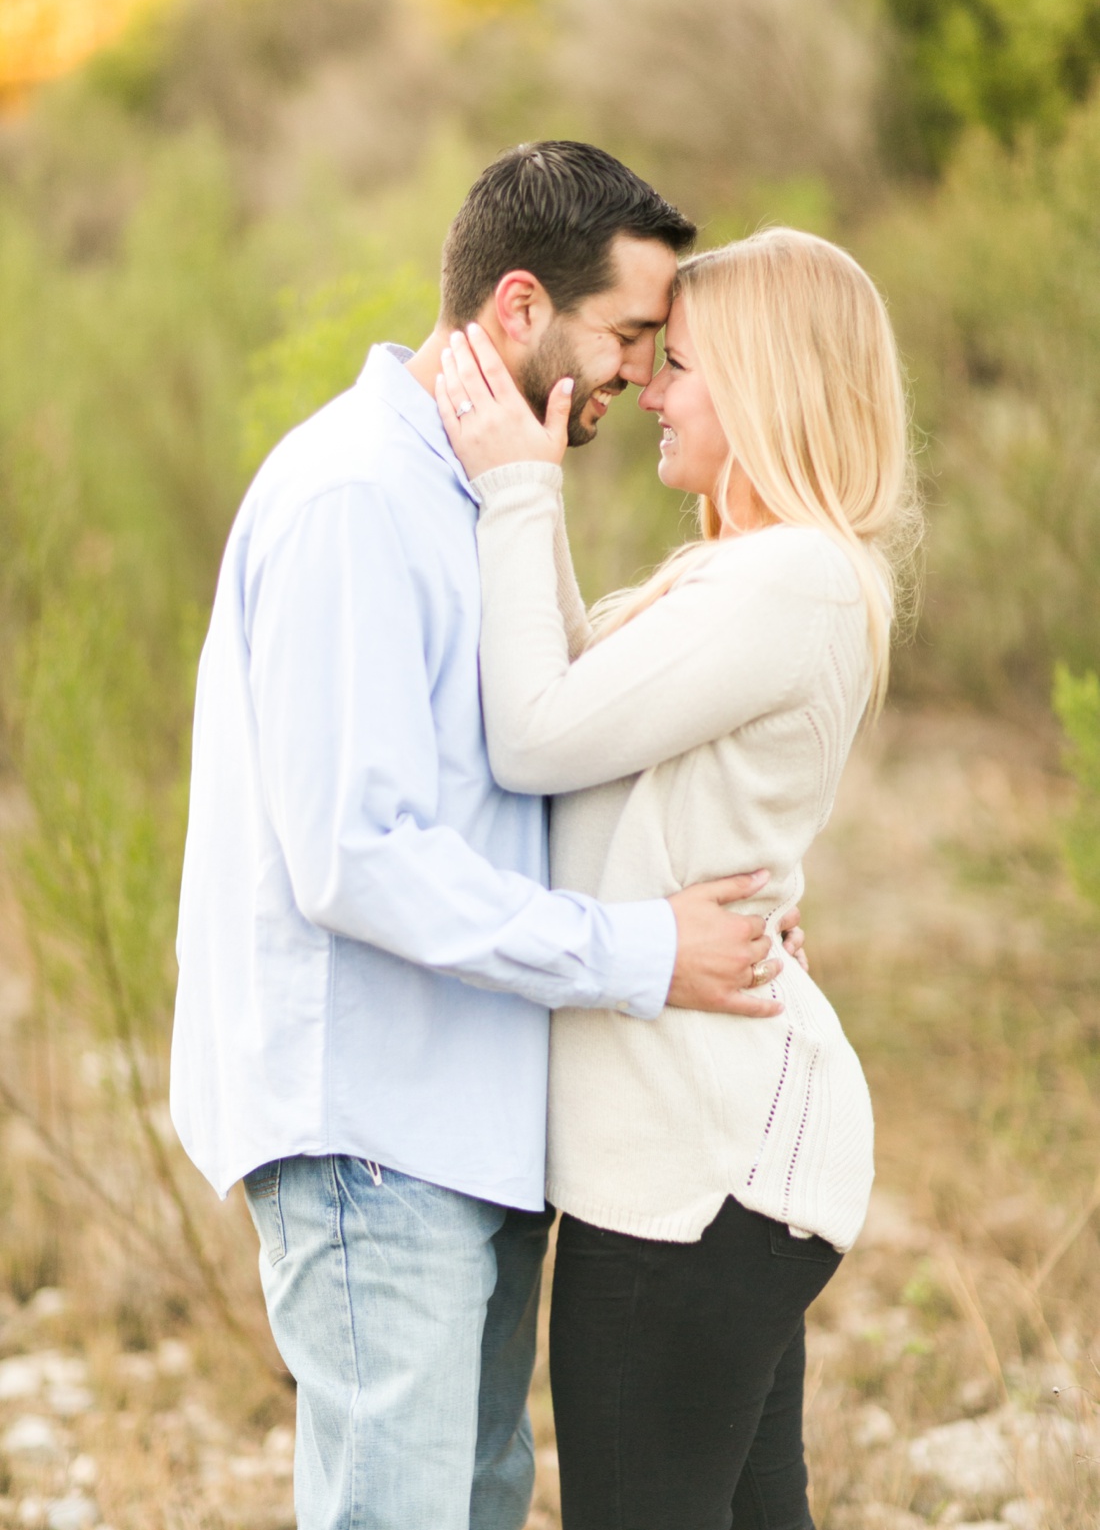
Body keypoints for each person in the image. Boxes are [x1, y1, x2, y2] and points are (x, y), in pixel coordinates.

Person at [170, 142, 806, 1530]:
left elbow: (537, 764)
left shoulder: (482, 490)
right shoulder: (357, 497)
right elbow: (364, 855)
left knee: (471, 1503)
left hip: (472, 1134)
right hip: (376, 1134)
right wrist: (644, 950)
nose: (643, 371)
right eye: (629, 334)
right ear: (520, 307)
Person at [436, 225, 918, 1530]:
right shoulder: (741, 573)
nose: (653, 386)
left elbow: (533, 730)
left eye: (684, 363)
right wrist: (526, 476)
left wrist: (516, 491)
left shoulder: (794, 580)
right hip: (709, 1170)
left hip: (688, 1179)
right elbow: (585, 705)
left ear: (768, 389)